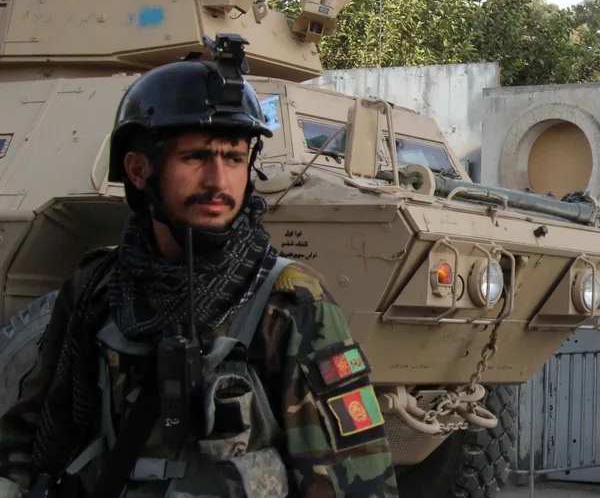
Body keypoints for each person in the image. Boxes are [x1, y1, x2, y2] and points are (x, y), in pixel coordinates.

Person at [0, 48, 397, 498]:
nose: (218, 180)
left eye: (233, 158)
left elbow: (355, 478)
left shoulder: (288, 302)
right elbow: (29, 436)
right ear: (138, 169)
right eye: (195, 157)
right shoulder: (98, 288)